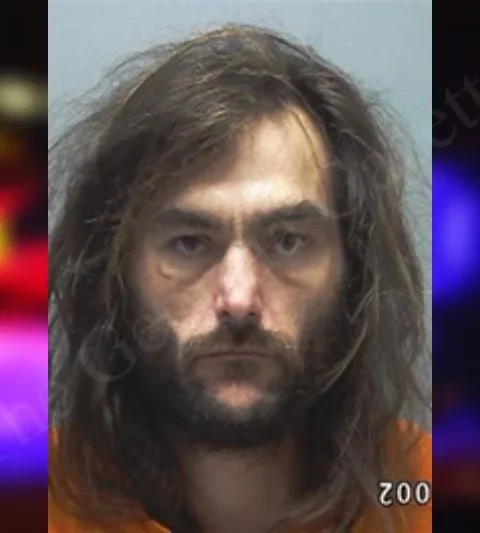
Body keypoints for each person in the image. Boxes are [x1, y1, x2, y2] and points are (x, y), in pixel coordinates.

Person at [48, 23, 431, 533]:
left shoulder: (422, 492)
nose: (239, 299)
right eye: (188, 242)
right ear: (114, 275)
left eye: (288, 241)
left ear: (354, 272)